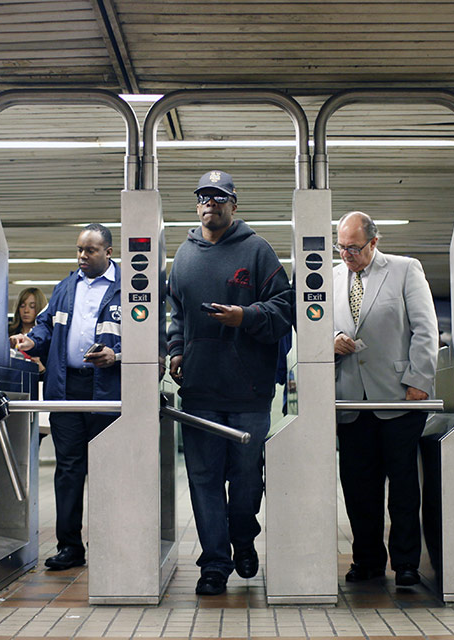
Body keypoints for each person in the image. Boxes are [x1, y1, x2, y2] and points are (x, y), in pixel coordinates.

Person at [167, 170, 293, 596]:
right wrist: (177, 350)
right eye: (204, 197)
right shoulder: (183, 255)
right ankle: (215, 564)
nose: (211, 204)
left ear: (234, 205)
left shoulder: (257, 251)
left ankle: (243, 536)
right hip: (199, 391)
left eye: (219, 198)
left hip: (248, 392)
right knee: (203, 480)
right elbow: (177, 314)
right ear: (197, 205)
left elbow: (284, 309)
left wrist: (245, 317)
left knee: (245, 480)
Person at [332, 211, 438, 587]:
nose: (346, 255)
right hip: (350, 400)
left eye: (353, 248)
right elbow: (314, 325)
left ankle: (406, 563)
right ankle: (367, 560)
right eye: (341, 248)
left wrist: (419, 381)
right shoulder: (331, 277)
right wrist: (331, 340)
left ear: (374, 242)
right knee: (359, 487)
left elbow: (425, 328)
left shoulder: (405, 269)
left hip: (398, 396)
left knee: (403, 487)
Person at [10, 223, 121, 571]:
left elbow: (148, 335)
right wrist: (32, 341)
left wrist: (117, 355)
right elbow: (45, 326)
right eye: (79, 250)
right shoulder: (65, 287)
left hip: (109, 388)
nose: (82, 256)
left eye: (90, 250)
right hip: (67, 387)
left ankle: (109, 543)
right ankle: (70, 546)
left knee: (107, 468)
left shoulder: (128, 288)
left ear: (108, 252)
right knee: (69, 469)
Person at [8, 286, 48, 373]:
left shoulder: (46, 340)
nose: (26, 310)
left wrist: (41, 369)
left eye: (32, 307)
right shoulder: (8, 333)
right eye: (22, 306)